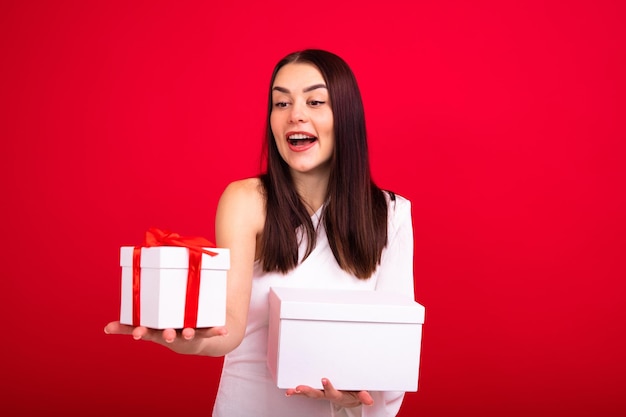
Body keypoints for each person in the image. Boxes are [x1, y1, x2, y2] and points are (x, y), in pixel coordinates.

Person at [105, 48, 416, 417]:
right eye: (281, 103)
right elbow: (230, 328)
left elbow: (393, 345)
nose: (295, 114)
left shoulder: (391, 213)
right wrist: (187, 341)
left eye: (315, 101)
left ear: (345, 116)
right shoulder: (245, 200)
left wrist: (356, 393)